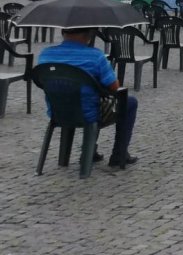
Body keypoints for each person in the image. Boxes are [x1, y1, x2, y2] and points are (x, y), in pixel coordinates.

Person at [38, 27, 138, 168]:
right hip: (89, 114)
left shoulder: (45, 55)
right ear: (89, 35)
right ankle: (119, 155)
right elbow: (115, 88)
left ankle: (88, 151)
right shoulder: (95, 56)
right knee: (129, 102)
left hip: (58, 112)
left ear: (62, 33)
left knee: (90, 99)